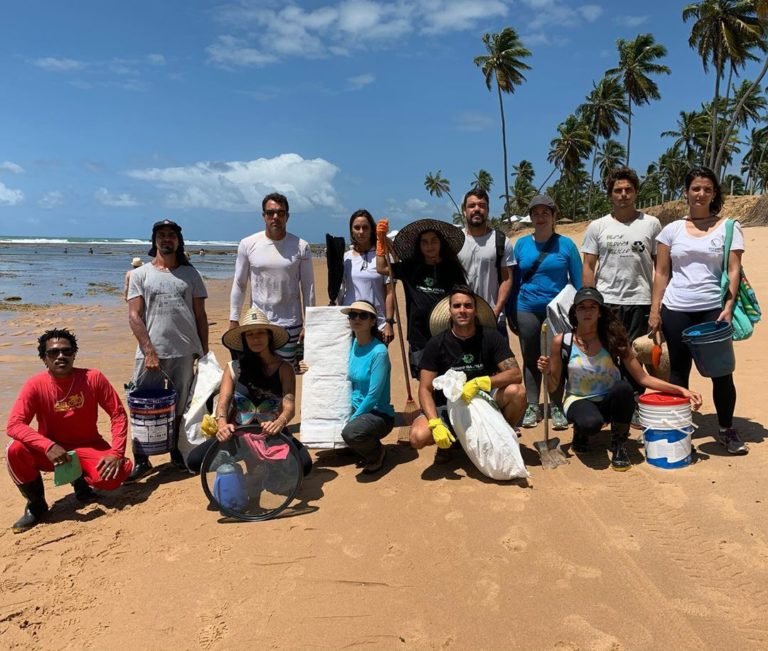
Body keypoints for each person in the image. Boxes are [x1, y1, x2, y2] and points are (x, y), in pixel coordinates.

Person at [538, 287, 702, 470]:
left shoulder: (614, 339)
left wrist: (681, 390)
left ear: (600, 312)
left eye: (592, 307)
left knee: (624, 388)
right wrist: (547, 372)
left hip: (610, 399)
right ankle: (581, 433)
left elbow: (642, 378)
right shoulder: (562, 341)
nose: (587, 312)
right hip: (579, 399)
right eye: (582, 307)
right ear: (574, 312)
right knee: (590, 423)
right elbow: (553, 387)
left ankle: (618, 445)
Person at [649, 166, 747, 455]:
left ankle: (726, 429)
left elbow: (733, 270)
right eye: (695, 188)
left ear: (714, 192)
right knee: (678, 372)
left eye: (707, 188)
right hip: (676, 309)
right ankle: (680, 433)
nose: (701, 193)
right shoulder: (671, 230)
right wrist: (656, 310)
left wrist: (728, 307)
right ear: (686, 192)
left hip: (712, 312)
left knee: (721, 373)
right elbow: (662, 273)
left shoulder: (729, 227)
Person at [6, 329, 133, 533]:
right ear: (44, 359)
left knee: (114, 477)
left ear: (74, 354)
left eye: (66, 351)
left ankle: (81, 480)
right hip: (54, 453)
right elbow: (14, 424)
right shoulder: (35, 385)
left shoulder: (93, 378)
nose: (61, 356)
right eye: (53, 353)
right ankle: (36, 505)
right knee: (15, 450)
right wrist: (47, 445)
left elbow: (117, 414)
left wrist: (117, 453)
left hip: (88, 445)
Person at [127, 219, 209, 481]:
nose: (166, 239)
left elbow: (200, 316)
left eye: (171, 235)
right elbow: (134, 316)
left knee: (180, 405)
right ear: (154, 241)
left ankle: (176, 451)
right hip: (151, 353)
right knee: (142, 405)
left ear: (178, 241)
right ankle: (142, 459)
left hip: (185, 351)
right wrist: (149, 350)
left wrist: (204, 352)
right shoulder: (140, 275)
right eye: (161, 235)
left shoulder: (190, 274)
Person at [409, 286, 527, 453]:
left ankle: (501, 435)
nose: (462, 310)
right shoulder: (436, 343)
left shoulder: (491, 337)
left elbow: (515, 374)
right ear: (450, 311)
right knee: (417, 437)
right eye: (457, 306)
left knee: (517, 392)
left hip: (483, 401)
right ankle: (451, 441)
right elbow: (425, 388)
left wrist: (480, 382)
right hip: (448, 405)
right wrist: (434, 423)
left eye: (468, 305)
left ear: (475, 310)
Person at [186, 308, 296, 473]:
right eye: (250, 334)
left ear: (269, 336)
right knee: (195, 460)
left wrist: (279, 423)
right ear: (244, 339)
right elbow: (223, 402)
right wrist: (222, 424)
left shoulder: (284, 368)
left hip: (272, 431)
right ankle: (238, 464)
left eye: (260, 333)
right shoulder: (233, 368)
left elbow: (289, 406)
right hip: (238, 431)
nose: (256, 338)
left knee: (304, 465)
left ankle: (265, 465)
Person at [508, 194, 582, 430]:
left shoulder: (567, 245)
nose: (540, 217)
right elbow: (514, 281)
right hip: (526, 307)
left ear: (553, 216)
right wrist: (511, 312)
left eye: (545, 213)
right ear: (531, 217)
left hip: (558, 312)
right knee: (530, 359)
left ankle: (556, 405)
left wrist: (580, 315)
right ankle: (532, 405)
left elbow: (578, 282)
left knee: (555, 359)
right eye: (536, 213)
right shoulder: (521, 245)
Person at [300, 300, 394, 473]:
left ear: (372, 321)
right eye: (353, 315)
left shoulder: (379, 352)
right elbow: (330, 364)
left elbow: (373, 396)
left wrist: (353, 419)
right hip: (354, 407)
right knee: (322, 418)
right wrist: (308, 366)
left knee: (351, 432)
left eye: (363, 315)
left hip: (377, 413)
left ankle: (377, 453)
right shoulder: (351, 345)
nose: (357, 319)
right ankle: (355, 444)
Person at [229, 192, 315, 367]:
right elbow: (239, 283)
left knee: (286, 374)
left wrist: (310, 323)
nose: (275, 217)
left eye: (281, 213)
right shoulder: (248, 244)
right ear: (263, 216)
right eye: (270, 213)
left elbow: (308, 288)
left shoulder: (301, 246)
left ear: (287, 217)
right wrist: (233, 319)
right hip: (258, 322)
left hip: (290, 323)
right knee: (257, 374)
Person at [375, 218, 467, 378]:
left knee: (450, 378)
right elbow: (382, 268)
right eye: (425, 242)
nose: (429, 246)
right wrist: (380, 243)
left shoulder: (452, 268)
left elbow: (462, 297)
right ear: (419, 246)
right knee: (425, 379)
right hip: (418, 335)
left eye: (433, 241)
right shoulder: (410, 267)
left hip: (447, 332)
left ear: (441, 243)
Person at [457, 186, 515, 338]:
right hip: (461, 319)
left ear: (488, 210)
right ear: (464, 211)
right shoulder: (454, 242)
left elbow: (507, 279)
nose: (477, 209)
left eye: (482, 206)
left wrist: (496, 310)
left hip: (494, 319)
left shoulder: (501, 241)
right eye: (472, 206)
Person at [340, 209, 395, 344]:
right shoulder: (346, 258)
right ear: (351, 230)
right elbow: (340, 291)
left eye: (365, 227)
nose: (361, 232)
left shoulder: (383, 256)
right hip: (350, 322)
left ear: (372, 230)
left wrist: (389, 322)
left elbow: (390, 292)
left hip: (376, 324)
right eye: (356, 228)